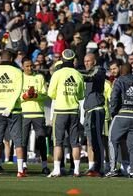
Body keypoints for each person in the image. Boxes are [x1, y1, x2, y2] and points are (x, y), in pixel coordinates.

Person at [0, 50, 25, 177]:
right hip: (14, 110)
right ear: (12, 59)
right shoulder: (18, 72)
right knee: (18, 141)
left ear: (0, 59)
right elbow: (18, 91)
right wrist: (10, 106)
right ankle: (20, 171)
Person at [47, 49, 85, 177]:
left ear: (62, 59)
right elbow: (81, 95)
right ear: (73, 60)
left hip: (60, 111)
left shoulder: (57, 74)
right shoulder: (78, 74)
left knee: (58, 142)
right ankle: (76, 170)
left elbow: (51, 94)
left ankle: (57, 170)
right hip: (74, 111)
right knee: (75, 142)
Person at [106, 64, 133, 178]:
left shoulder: (119, 81)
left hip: (121, 114)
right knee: (132, 146)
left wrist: (113, 112)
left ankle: (112, 169)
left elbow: (114, 98)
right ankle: (132, 171)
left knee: (112, 141)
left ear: (121, 71)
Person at [20, 57, 50, 175]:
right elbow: (16, 96)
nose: (29, 68)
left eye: (31, 65)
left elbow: (45, 95)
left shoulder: (39, 77)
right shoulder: (19, 78)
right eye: (27, 66)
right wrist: (25, 96)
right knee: (23, 141)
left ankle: (45, 166)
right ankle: (23, 165)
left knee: (41, 140)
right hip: (24, 114)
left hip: (38, 113)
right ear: (22, 66)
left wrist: (35, 95)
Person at [83, 53, 106, 176]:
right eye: (85, 61)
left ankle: (100, 168)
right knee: (90, 140)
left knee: (97, 140)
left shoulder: (99, 70)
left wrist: (75, 74)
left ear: (94, 61)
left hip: (96, 110)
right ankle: (93, 166)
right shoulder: (87, 73)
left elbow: (90, 77)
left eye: (89, 61)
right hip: (88, 111)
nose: (86, 63)